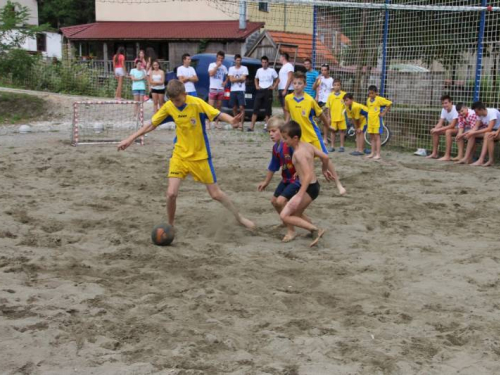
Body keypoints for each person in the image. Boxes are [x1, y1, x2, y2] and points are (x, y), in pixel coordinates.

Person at [117, 79, 255, 230]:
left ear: (185, 94)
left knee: (215, 194)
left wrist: (231, 121)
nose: (176, 103)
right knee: (171, 194)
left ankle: (239, 217)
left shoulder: (196, 103)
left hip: (200, 157)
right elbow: (151, 124)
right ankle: (170, 225)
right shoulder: (169, 106)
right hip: (180, 156)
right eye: (172, 100)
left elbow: (218, 114)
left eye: (178, 100)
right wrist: (130, 138)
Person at [279, 120, 345, 247]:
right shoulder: (307, 146)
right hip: (313, 187)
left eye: (285, 138)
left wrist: (299, 195)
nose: (284, 141)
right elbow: (325, 157)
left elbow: (308, 174)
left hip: (308, 188)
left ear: (295, 138)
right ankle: (312, 230)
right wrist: (324, 169)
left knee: (285, 215)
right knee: (296, 214)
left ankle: (316, 230)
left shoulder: (298, 153)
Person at [257, 116, 301, 242]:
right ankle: (285, 221)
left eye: (274, 131)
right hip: (286, 179)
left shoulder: (290, 145)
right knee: (274, 201)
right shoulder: (276, 148)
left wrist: (299, 172)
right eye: (269, 131)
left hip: (296, 180)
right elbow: (273, 166)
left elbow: (302, 158)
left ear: (282, 132)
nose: (271, 134)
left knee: (281, 202)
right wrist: (266, 182)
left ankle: (291, 231)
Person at [284, 71, 329, 153]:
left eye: (299, 83)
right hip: (297, 134)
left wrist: (328, 126)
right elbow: (287, 111)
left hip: (311, 133)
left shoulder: (310, 100)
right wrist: (286, 124)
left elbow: (320, 114)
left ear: (305, 85)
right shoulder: (288, 98)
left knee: (323, 157)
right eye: (294, 83)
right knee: (299, 159)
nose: (296, 85)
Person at [250, 55, 278, 131]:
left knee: (267, 109)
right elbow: (256, 78)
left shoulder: (272, 70)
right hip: (260, 90)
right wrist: (256, 85)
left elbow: (277, 79)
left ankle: (266, 126)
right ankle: (251, 126)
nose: (264, 64)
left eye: (265, 62)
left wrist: (274, 86)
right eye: (263, 62)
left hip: (268, 90)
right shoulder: (259, 70)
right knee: (256, 108)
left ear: (268, 63)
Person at [427, 95, 459, 160]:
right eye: (442, 103)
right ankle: (434, 153)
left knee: (448, 131)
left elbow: (452, 125)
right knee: (435, 132)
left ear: (451, 102)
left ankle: (447, 156)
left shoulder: (455, 109)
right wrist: (435, 129)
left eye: (446, 103)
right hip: (452, 128)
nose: (444, 105)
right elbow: (440, 123)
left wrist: (440, 129)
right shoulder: (443, 110)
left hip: (460, 128)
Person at [366, 85, 392, 160]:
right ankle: (372, 153)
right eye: (370, 93)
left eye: (372, 93)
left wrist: (384, 112)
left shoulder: (379, 99)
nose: (371, 95)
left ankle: (378, 154)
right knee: (371, 137)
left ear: (376, 93)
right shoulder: (368, 100)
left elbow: (389, 103)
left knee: (377, 137)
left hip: (377, 122)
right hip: (370, 122)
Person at [325, 78, 347, 152]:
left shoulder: (344, 94)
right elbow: (328, 107)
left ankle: (342, 146)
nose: (336, 86)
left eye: (338, 85)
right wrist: (328, 117)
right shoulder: (330, 96)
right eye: (335, 85)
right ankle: (332, 146)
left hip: (342, 117)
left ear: (340, 86)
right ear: (333, 86)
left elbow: (347, 105)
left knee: (342, 131)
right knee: (333, 131)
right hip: (333, 117)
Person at [208, 51, 228, 129]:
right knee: (210, 106)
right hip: (213, 88)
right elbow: (211, 74)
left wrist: (225, 82)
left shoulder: (224, 67)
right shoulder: (211, 65)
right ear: (216, 58)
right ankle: (208, 123)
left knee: (219, 107)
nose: (220, 59)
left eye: (222, 58)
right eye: (219, 58)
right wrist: (217, 66)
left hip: (220, 89)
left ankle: (216, 122)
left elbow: (227, 75)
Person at [228, 54, 249, 130]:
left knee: (241, 107)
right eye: (237, 60)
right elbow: (231, 80)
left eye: (240, 60)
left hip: (241, 89)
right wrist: (239, 78)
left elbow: (244, 79)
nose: (238, 62)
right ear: (235, 60)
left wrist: (235, 79)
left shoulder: (244, 68)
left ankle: (241, 123)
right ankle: (236, 121)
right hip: (233, 90)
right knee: (234, 107)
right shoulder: (231, 69)